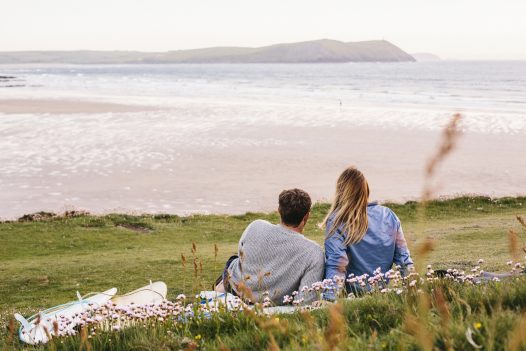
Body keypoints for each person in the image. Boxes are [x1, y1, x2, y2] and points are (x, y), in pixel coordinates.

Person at [214, 189, 325, 305]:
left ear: (279, 211)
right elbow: (305, 299)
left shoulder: (256, 225)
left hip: (235, 286)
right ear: (307, 216)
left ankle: (220, 289)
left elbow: (242, 257)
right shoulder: (314, 252)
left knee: (234, 261)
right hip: (268, 300)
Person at [323, 166, 413, 297]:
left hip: (350, 299)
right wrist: (415, 290)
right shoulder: (388, 215)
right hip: (381, 296)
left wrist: (330, 298)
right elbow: (403, 260)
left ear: (340, 192)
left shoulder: (337, 220)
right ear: (366, 190)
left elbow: (337, 263)